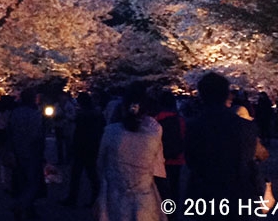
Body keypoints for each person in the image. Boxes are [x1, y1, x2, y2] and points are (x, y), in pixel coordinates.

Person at [185, 72, 263, 219]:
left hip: (205, 193)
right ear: (227, 94)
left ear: (201, 95)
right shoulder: (246, 126)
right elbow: (249, 158)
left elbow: (191, 160)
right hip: (239, 191)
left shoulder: (195, 126)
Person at [96, 82, 166, 221]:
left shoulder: (111, 132)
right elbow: (158, 169)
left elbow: (100, 164)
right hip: (144, 198)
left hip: (114, 197)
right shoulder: (154, 132)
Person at [61, 91, 105, 208]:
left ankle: (72, 197)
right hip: (92, 146)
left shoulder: (82, 115)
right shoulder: (97, 114)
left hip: (81, 146)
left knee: (77, 174)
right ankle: (96, 197)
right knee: (92, 174)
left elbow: (78, 132)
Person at [7, 89, 45, 221]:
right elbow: (38, 135)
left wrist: (10, 150)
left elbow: (10, 132)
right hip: (31, 152)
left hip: (17, 150)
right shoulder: (35, 114)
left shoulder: (15, 113)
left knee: (21, 181)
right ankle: (22, 205)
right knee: (32, 182)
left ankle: (27, 209)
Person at [154, 91, 185, 209]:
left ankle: (163, 209)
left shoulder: (155, 120)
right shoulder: (179, 119)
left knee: (161, 187)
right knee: (174, 185)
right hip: (177, 158)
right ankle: (173, 210)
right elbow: (183, 136)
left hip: (160, 158)